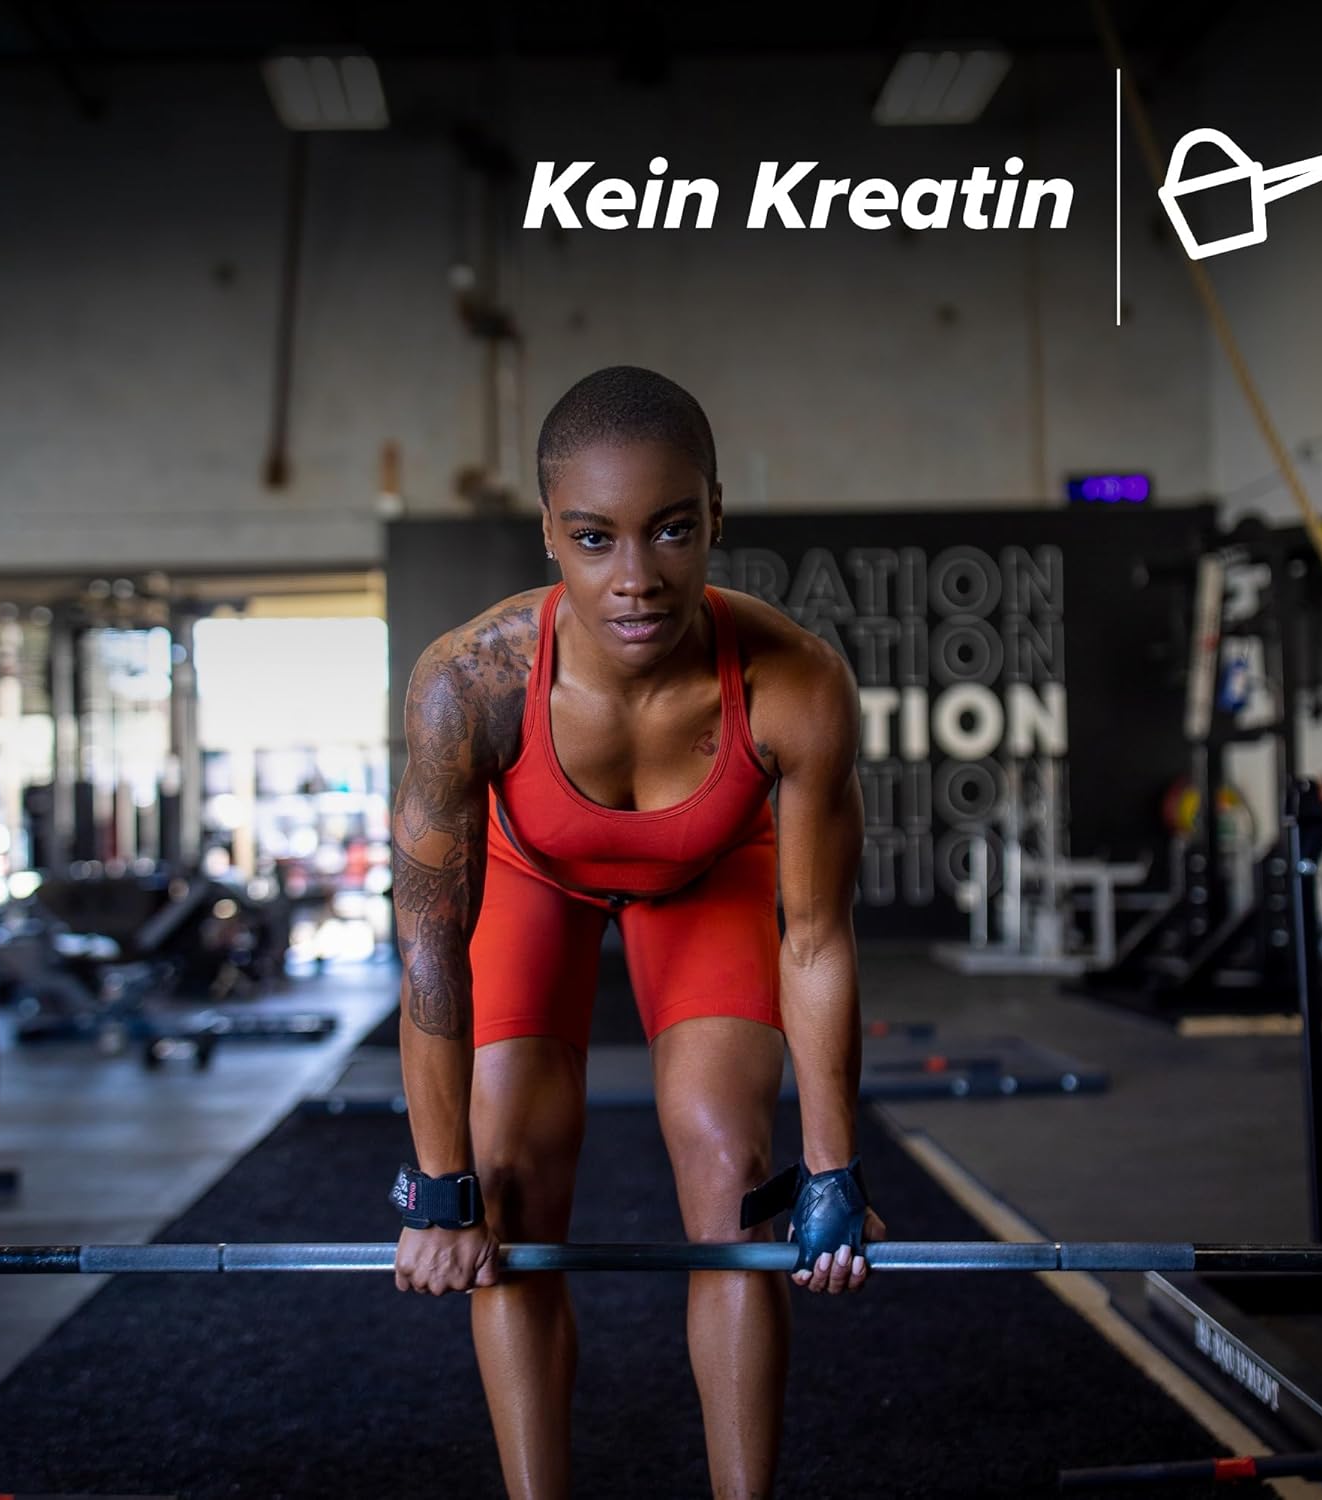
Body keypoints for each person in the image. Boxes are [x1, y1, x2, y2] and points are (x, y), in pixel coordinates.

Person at [388, 365, 885, 1499]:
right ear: (548, 533)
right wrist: (442, 1187)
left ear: (715, 515)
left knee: (731, 1170)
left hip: (707, 875)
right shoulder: (469, 684)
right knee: (510, 1177)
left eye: (669, 530)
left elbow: (815, 940)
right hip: (531, 871)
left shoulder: (797, 684)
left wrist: (832, 1169)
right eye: (593, 538)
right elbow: (430, 950)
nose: (636, 578)